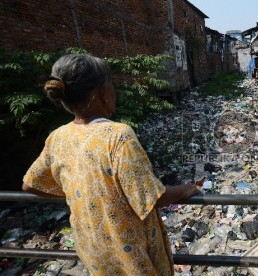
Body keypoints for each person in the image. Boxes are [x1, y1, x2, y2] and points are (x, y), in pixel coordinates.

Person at [22, 54, 199, 275]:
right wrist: (187, 189)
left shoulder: (58, 137)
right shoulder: (117, 136)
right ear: (102, 93)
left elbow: (31, 184)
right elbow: (152, 198)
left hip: (93, 249)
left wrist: (81, 196)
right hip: (129, 253)